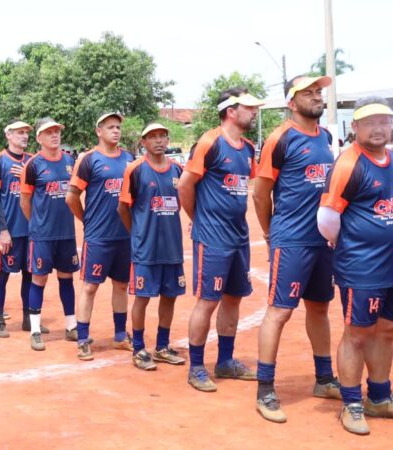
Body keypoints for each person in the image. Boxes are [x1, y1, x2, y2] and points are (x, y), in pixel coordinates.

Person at [252, 75, 340, 423]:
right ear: (292, 103)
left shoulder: (327, 137)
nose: (317, 97)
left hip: (322, 241)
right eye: (309, 93)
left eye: (319, 92)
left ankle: (324, 378)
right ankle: (265, 389)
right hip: (291, 240)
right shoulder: (280, 138)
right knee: (279, 311)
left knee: (319, 309)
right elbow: (261, 193)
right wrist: (271, 232)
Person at [178, 88, 263, 392]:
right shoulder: (210, 142)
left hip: (238, 236)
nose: (254, 112)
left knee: (233, 297)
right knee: (208, 300)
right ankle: (197, 366)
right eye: (249, 108)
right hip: (212, 237)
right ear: (231, 111)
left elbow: (249, 187)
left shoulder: (248, 148)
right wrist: (197, 218)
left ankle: (225, 361)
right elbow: (186, 186)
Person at [318, 97, 393, 435]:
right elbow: (327, 219)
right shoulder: (348, 164)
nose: (378, 128)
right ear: (355, 128)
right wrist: (350, 245)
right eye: (370, 122)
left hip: (390, 266)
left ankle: (379, 397)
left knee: (387, 330)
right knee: (357, 334)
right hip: (361, 267)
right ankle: (351, 404)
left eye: (384, 121)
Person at [118, 123, 187, 371]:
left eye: (162, 136)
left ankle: (162, 346)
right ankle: (138, 348)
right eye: (152, 137)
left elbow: (183, 203)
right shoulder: (135, 170)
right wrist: (137, 232)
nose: (158, 141)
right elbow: (123, 208)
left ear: (168, 140)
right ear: (143, 142)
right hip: (145, 249)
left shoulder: (179, 170)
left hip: (172, 248)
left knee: (170, 297)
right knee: (143, 298)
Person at [67, 112, 135, 361]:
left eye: (118, 127)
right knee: (90, 286)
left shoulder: (129, 158)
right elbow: (71, 196)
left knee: (121, 285)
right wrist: (86, 220)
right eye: (110, 127)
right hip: (98, 236)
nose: (115, 131)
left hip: (124, 235)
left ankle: (119, 336)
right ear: (99, 131)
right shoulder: (88, 160)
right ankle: (83, 339)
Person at [18, 118, 79, 345]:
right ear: (39, 138)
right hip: (42, 235)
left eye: (56, 131)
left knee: (66, 278)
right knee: (39, 279)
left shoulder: (70, 161)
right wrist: (36, 224)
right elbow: (25, 201)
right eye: (49, 132)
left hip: (66, 233)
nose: (54, 135)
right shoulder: (33, 165)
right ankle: (35, 330)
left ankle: (71, 326)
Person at [0, 120, 33, 327]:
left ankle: (28, 319)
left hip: (31, 229)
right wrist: (3, 230)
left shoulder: (32, 161)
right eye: (20, 132)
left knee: (30, 275)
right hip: (9, 230)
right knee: (2, 274)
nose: (24, 136)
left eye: (26, 133)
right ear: (9, 136)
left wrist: (24, 174)